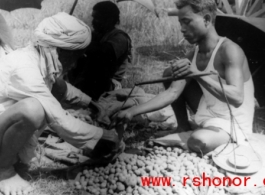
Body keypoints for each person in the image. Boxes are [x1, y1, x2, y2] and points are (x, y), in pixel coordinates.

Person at [0, 12, 122, 195]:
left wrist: (91, 104)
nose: (75, 64)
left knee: (37, 108)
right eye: (76, 57)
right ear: (59, 51)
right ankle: (4, 171)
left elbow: (60, 87)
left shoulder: (40, 56)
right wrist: (104, 135)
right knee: (33, 111)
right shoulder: (24, 69)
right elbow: (59, 119)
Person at [115, 0, 255, 154]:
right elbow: (172, 93)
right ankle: (183, 126)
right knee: (171, 74)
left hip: (233, 121)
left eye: (187, 22)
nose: (182, 29)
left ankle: (202, 135)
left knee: (199, 140)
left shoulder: (229, 50)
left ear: (207, 19)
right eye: (180, 23)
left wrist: (196, 74)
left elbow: (236, 98)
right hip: (208, 111)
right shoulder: (194, 54)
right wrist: (132, 112)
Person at [68, 1, 132, 100]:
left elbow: (104, 53)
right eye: (93, 17)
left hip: (109, 83)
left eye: (98, 18)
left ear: (109, 19)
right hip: (89, 78)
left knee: (92, 73)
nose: (93, 21)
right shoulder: (95, 34)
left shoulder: (120, 37)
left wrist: (80, 43)